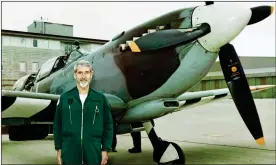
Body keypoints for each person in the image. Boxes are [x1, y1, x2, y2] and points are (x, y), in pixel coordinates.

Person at [53, 59, 113, 165]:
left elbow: (108, 125)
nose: (83, 76)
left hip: (93, 152)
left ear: (91, 74)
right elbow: (57, 125)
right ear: (75, 75)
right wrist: (58, 149)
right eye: (80, 73)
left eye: (87, 72)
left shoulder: (100, 99)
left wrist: (105, 149)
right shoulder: (64, 98)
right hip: (69, 152)